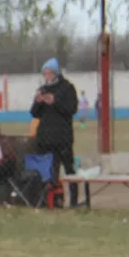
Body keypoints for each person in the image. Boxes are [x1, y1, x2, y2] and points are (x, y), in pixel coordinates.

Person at [30, 58, 78, 207]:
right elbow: (34, 113)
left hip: (62, 137)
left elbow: (71, 109)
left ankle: (74, 200)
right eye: (45, 73)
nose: (47, 76)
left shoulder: (67, 88)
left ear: (56, 72)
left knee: (69, 169)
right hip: (45, 138)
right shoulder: (43, 89)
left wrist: (54, 102)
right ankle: (53, 200)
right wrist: (38, 102)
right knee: (49, 172)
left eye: (49, 72)